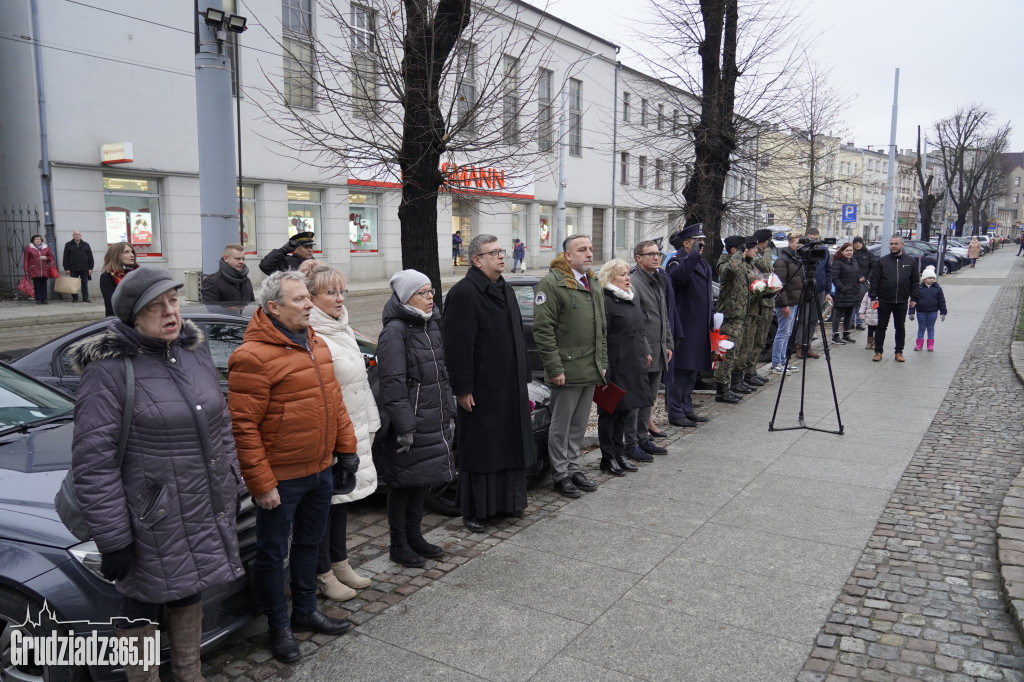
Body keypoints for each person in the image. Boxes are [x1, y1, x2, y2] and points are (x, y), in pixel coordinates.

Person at [69, 267, 246, 681]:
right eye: (155, 307)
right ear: (133, 316)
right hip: (150, 515)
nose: (171, 313)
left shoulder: (192, 350)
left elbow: (220, 421)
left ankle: (190, 674)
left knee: (189, 586)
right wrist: (113, 539)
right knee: (142, 602)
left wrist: (232, 477)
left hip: (200, 503)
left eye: (173, 301)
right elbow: (93, 463)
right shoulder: (109, 369)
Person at [228, 270, 358, 664]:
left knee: (307, 545)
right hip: (281, 478)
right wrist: (262, 483)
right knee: (272, 554)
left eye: (307, 297)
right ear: (274, 308)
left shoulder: (314, 343)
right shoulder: (251, 356)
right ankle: (278, 626)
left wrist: (346, 450)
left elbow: (333, 401)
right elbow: (244, 428)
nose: (308, 304)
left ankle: (305, 610)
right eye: (299, 299)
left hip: (319, 467)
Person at [442, 236, 533, 532]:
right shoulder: (464, 293)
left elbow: (517, 334)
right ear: (476, 260)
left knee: (509, 445)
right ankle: (477, 511)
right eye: (492, 252)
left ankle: (508, 503)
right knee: (482, 450)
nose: (501, 256)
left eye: (501, 251)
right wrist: (462, 388)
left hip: (509, 383)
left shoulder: (504, 287)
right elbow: (458, 347)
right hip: (482, 387)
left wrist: (525, 376)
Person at [303, 263, 381, 600]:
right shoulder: (313, 333)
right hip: (330, 434)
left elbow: (359, 386)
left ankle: (340, 562)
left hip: (353, 429)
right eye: (331, 292)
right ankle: (322, 572)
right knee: (324, 505)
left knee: (342, 501)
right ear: (311, 297)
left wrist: (371, 423)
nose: (339, 298)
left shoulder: (341, 327)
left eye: (342, 291)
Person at [377, 270, 456, 565]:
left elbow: (442, 375)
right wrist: (405, 425)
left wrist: (447, 411)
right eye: (423, 293)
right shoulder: (395, 330)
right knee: (402, 484)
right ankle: (399, 545)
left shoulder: (429, 326)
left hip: (432, 417)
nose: (430, 297)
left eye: (431, 291)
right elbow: (393, 383)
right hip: (410, 422)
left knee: (421, 480)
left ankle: (415, 536)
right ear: (406, 297)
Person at [533, 234, 608, 495]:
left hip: (590, 366)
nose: (589, 253)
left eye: (590, 248)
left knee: (579, 424)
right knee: (561, 425)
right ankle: (560, 474)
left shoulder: (592, 282)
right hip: (566, 369)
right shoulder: (552, 284)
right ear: (568, 255)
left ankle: (574, 468)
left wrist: (603, 362)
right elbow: (543, 330)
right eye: (582, 250)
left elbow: (602, 329)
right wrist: (554, 368)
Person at [597, 259, 652, 476]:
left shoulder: (630, 298)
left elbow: (640, 329)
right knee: (610, 414)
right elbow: (601, 335)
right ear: (610, 278)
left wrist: (645, 351)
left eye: (628, 274)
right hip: (614, 365)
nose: (628, 278)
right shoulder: (605, 300)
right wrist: (604, 367)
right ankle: (607, 458)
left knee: (624, 412)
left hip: (632, 363)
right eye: (622, 275)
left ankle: (619, 454)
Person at [624, 240, 673, 459]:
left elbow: (663, 316)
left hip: (659, 348)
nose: (656, 257)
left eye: (658, 254)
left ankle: (643, 438)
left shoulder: (658, 279)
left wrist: (668, 343)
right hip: (644, 352)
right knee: (637, 400)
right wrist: (645, 350)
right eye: (651, 254)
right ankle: (631, 442)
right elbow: (636, 322)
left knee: (649, 398)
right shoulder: (634, 282)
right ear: (638, 258)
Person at [665, 223, 714, 424]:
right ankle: (675, 411)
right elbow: (677, 278)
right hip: (684, 325)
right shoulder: (677, 261)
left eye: (701, 241)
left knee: (692, 369)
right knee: (680, 369)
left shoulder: (701, 262)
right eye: (697, 241)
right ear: (686, 243)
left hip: (699, 326)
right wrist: (693, 255)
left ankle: (686, 406)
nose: (701, 245)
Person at [714, 235, 755, 403]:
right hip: (728, 318)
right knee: (725, 355)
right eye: (742, 249)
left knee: (734, 353)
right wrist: (738, 253)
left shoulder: (740, 263)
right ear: (734, 250)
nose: (745, 252)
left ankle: (729, 386)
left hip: (739, 316)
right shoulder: (725, 263)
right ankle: (721, 391)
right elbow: (730, 271)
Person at [869, 234, 920, 363]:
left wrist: (914, 297)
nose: (893, 246)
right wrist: (873, 297)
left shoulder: (910, 261)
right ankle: (878, 351)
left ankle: (899, 352)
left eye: (896, 244)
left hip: (901, 300)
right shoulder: (882, 261)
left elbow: (914, 281)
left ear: (902, 245)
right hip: (884, 299)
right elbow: (875, 280)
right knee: (881, 326)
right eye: (891, 244)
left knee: (900, 327)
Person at [736, 229, 776, 388]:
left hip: (762, 304)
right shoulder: (752, 259)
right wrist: (767, 250)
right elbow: (766, 267)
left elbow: (769, 271)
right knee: (748, 343)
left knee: (758, 341)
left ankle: (751, 372)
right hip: (753, 306)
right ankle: (745, 374)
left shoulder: (754, 257)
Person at [793, 227, 832, 359]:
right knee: (803, 319)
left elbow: (828, 271)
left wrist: (827, 290)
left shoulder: (824, 251)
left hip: (819, 289)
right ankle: (798, 346)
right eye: (811, 239)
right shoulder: (802, 251)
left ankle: (808, 345)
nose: (814, 242)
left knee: (813, 319)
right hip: (804, 289)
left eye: (816, 239)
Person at [770, 232, 804, 374]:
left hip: (794, 301)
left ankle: (783, 361)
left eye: (801, 243)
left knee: (788, 332)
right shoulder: (783, 260)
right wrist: (784, 304)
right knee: (783, 332)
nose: (800, 245)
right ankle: (776, 363)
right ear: (790, 243)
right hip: (787, 303)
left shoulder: (796, 259)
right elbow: (780, 284)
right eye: (797, 242)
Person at [830, 242, 860, 345]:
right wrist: (842, 288)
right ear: (842, 251)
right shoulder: (838, 262)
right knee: (838, 314)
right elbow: (834, 277)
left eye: (851, 250)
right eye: (847, 250)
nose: (849, 252)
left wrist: (859, 279)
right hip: (842, 293)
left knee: (848, 314)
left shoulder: (854, 261)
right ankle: (835, 335)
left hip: (853, 292)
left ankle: (846, 334)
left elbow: (855, 275)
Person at [913, 265, 947, 351]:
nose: (932, 279)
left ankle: (930, 345)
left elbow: (941, 301)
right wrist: (911, 312)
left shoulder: (938, 289)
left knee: (931, 328)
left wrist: (943, 312)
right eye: (929, 278)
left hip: (933, 312)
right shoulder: (919, 288)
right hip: (921, 312)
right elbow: (913, 300)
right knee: (921, 328)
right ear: (924, 279)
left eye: (933, 278)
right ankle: (919, 345)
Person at [100, 242, 137, 316]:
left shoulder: (138, 272)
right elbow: (111, 305)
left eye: (132, 252)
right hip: (119, 320)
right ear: (116, 255)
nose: (132, 255)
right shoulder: (107, 276)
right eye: (126, 252)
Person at [850, 236, 876, 329]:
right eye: (856, 242)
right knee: (852, 301)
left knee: (861, 302)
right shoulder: (851, 253)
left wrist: (866, 278)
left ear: (862, 243)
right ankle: (851, 322)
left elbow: (873, 267)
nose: (857, 244)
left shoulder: (869, 254)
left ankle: (860, 322)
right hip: (852, 281)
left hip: (863, 282)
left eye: (859, 242)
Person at [62, 230, 94, 303]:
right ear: (73, 236)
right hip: (73, 268)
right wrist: (66, 268)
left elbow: (90, 257)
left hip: (84, 268)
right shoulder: (68, 245)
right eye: (75, 234)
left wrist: (91, 268)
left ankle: (85, 298)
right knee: (73, 283)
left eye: (78, 234)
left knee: (84, 283)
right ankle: (75, 298)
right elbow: (65, 257)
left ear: (81, 235)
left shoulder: (86, 244)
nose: (77, 235)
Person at [23, 234, 55, 304]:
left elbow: (51, 257)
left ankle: (45, 299)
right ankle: (39, 299)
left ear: (41, 240)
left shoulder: (46, 247)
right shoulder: (29, 248)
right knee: (37, 285)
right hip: (34, 269)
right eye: (36, 239)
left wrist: (46, 257)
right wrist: (26, 270)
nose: (38, 240)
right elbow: (26, 259)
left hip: (44, 269)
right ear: (33, 240)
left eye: (39, 239)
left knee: (44, 284)